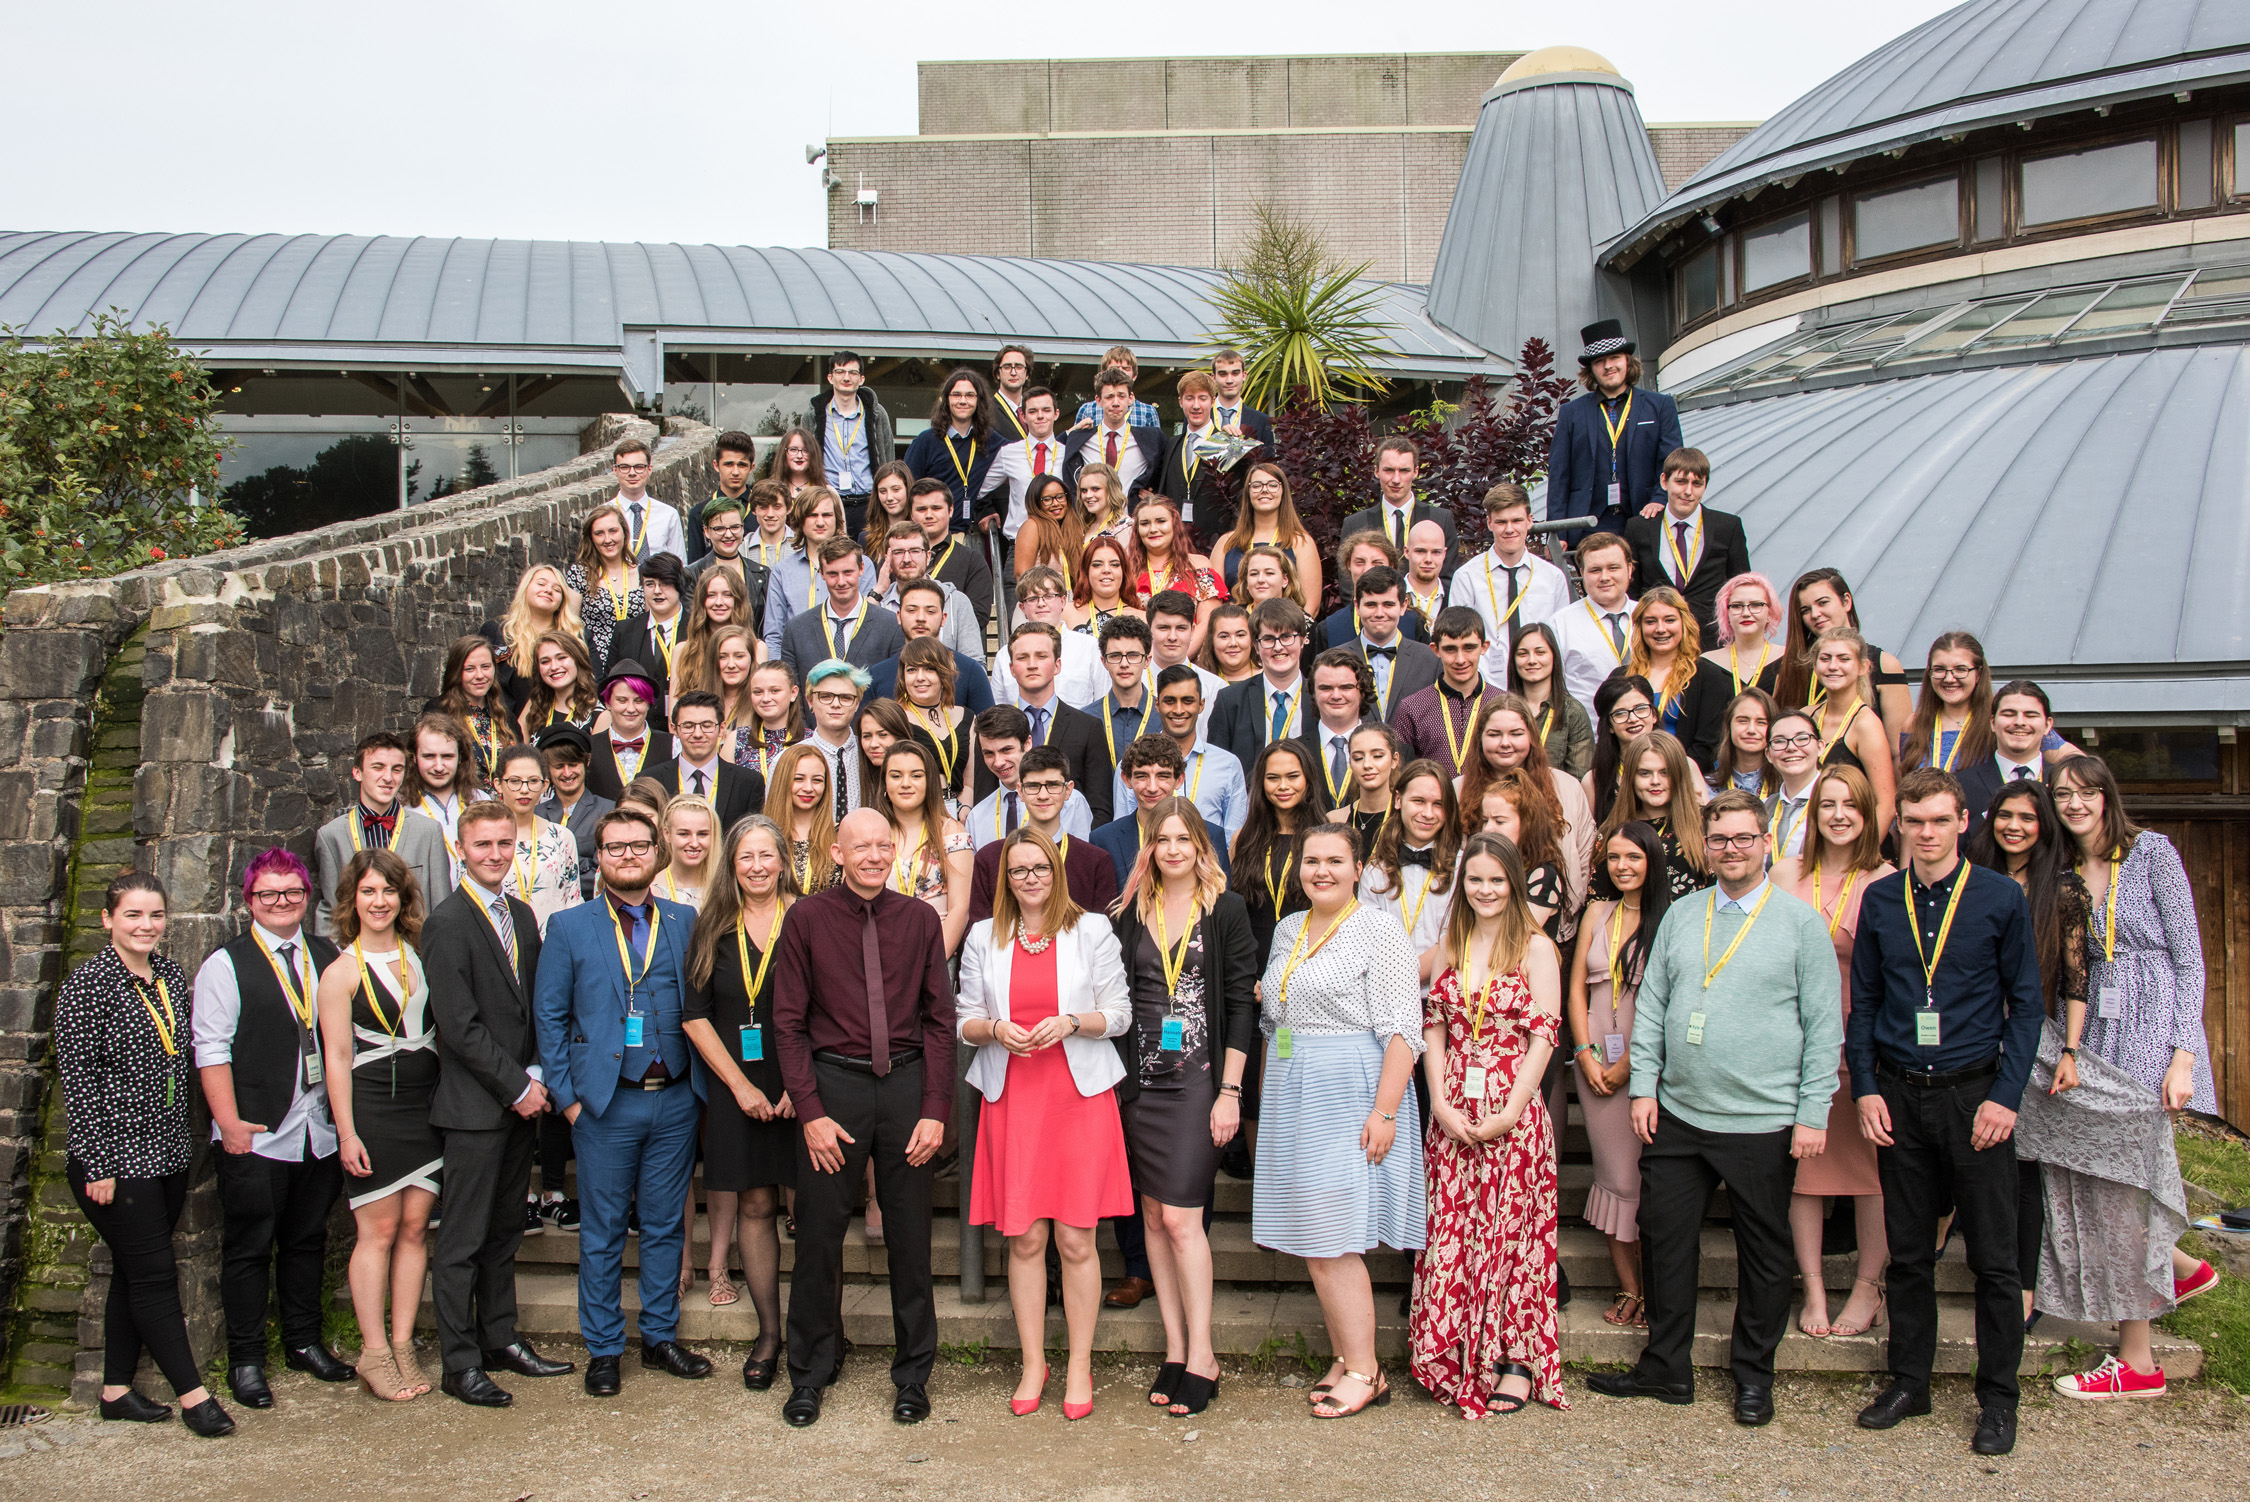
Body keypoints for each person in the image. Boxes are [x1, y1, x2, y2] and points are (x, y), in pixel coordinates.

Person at [1588, 791, 1841, 1425]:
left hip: (1763, 1118)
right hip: (1678, 1111)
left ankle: (1754, 1373)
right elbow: (1651, 1007)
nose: (1731, 850)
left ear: (1766, 844)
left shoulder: (1800, 923)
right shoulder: (1681, 915)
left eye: (1743, 839)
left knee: (1763, 1250)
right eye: (1720, 840)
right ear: (1707, 845)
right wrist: (1643, 1085)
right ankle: (1665, 1368)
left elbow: (1822, 1025)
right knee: (1666, 1240)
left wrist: (1813, 1112)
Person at [1846, 768, 2042, 1456]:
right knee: (1907, 1255)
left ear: (1964, 822)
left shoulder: (1998, 898)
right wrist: (1865, 1087)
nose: (1925, 834)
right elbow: (1864, 1002)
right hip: (1898, 1095)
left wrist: (2005, 1098)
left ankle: (1998, 1399)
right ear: (1899, 825)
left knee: (1994, 1259)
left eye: (1938, 820)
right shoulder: (1878, 899)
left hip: (1975, 1096)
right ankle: (1910, 1382)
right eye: (1914, 821)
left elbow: (2028, 1007)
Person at [2034, 755, 2219, 1400]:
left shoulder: (2153, 853)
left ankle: (2136, 1361)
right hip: (2082, 1031)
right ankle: (2179, 1265)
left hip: (2146, 1036)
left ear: (2108, 795)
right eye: (2064, 794)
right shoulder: (2056, 868)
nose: (2076, 804)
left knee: (2124, 1189)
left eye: (2087, 792)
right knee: (2094, 1176)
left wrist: (2184, 1055)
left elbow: (2190, 960)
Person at [772, 808, 957, 1427]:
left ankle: (912, 1376)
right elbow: (789, 1024)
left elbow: (939, 1020)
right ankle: (811, 1371)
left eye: (884, 845)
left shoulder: (920, 921)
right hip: (834, 1090)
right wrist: (810, 1113)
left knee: (910, 1238)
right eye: (862, 846)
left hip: (905, 1089)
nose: (875, 855)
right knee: (820, 1238)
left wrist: (935, 1110)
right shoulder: (806, 920)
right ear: (837, 850)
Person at [533, 808, 714, 1395]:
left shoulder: (687, 920)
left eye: (639, 846)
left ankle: (660, 1336)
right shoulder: (569, 927)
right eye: (616, 848)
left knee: (665, 1227)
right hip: (606, 1104)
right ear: (600, 857)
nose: (629, 856)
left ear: (658, 853)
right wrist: (568, 1102)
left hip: (677, 1100)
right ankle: (605, 1348)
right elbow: (550, 1018)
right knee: (604, 1230)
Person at [956, 827, 1135, 1419]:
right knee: (1026, 1236)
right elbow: (965, 1019)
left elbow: (1120, 1014)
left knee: (1076, 1238)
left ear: (1056, 872)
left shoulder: (1091, 930)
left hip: (1076, 1094)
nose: (1030, 879)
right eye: (1017, 871)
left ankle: (1080, 1362)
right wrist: (994, 1031)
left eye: (1039, 868)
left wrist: (1073, 1022)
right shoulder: (984, 935)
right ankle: (1035, 1361)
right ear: (1004, 879)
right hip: (1014, 1094)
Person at [1253, 823, 1425, 1420]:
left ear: (1358, 870)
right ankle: (1346, 1353)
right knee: (1315, 1237)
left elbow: (1404, 1028)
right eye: (1310, 861)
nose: (1320, 871)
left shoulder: (1380, 929)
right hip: (1292, 1088)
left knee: (1332, 1239)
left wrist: (1386, 1111)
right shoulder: (1286, 929)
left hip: (1350, 1091)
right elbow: (1277, 1018)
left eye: (1334, 861)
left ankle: (1365, 1371)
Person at [57, 873, 235, 1436]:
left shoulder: (169, 975)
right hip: (114, 1157)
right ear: (109, 919)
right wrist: (99, 1164)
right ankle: (194, 1397)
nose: (145, 926)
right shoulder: (88, 986)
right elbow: (80, 1084)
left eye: (155, 915)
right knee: (156, 1275)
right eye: (133, 915)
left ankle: (114, 1390)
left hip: (165, 1152)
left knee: (132, 1275)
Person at [423, 801, 575, 1406]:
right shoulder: (446, 922)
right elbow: (458, 1027)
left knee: (504, 1232)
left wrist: (535, 1076)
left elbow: (532, 1005)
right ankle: (459, 1363)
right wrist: (517, 1086)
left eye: (504, 844)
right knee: (461, 1240)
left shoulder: (520, 914)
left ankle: (499, 1338)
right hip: (475, 1109)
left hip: (522, 1102)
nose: (495, 855)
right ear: (462, 848)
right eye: (483, 845)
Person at [1107, 803, 1256, 1416]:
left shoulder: (1226, 910)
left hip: (1198, 1085)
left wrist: (1231, 1091)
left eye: (1182, 838)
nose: (1172, 849)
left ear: (1201, 845)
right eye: (1160, 839)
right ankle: (1173, 1349)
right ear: (1148, 847)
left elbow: (1242, 1004)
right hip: (1139, 1087)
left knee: (1182, 1221)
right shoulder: (1128, 913)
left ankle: (1204, 1356)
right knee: (1150, 1215)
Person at [189, 850, 352, 1410]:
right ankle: (247, 1359)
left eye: (292, 893)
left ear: (308, 898)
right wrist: (227, 1123)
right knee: (249, 1247)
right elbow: (209, 1049)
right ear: (249, 901)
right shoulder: (226, 965)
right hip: (257, 1131)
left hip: (318, 1129)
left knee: (307, 1240)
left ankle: (304, 1342)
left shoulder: (329, 956)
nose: (281, 903)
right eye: (268, 895)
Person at [1411, 831, 1565, 1418]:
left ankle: (1515, 1360)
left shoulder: (1535, 947)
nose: (1485, 889)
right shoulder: (1454, 938)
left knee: (1511, 1239)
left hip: (1512, 1112)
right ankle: (1457, 1353)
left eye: (1496, 880)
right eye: (1475, 879)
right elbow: (1433, 1025)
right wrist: (1441, 1103)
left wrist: (1511, 1111)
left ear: (1514, 881)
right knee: (1455, 1233)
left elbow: (1544, 1034)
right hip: (1452, 1110)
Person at [1771, 766, 1895, 1338]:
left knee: (1871, 1172)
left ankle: (1868, 1287)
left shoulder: (1888, 880)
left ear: (1868, 816)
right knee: (1803, 1174)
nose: (1839, 814)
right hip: (1789, 1043)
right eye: (1828, 805)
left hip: (1860, 1044)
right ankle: (1813, 1288)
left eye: (1852, 805)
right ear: (1813, 815)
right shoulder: (1787, 872)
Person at [316, 848, 441, 1403]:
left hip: (426, 1108)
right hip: (373, 1109)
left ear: (402, 897)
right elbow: (336, 1058)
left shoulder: (421, 958)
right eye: (368, 891)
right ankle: (372, 1352)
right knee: (379, 1231)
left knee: (416, 1228)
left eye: (388, 890)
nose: (379, 900)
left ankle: (404, 1341)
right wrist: (347, 1132)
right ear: (352, 900)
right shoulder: (340, 972)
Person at [1965, 778, 2088, 1330]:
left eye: (2029, 818)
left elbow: (2077, 979)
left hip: (2031, 1040)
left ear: (2045, 828)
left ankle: (2024, 1290)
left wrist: (2071, 1049)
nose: (2015, 826)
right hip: (1969, 1034)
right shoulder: (1973, 882)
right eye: (2006, 815)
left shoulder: (2061, 890)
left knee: (2023, 1166)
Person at [682, 815, 800, 1387]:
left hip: (803, 1088)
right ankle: (770, 1333)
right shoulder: (711, 925)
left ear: (782, 859)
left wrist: (800, 1087)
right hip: (738, 1089)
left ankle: (818, 1332)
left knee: (813, 1209)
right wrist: (743, 1088)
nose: (756, 867)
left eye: (765, 855)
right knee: (755, 1206)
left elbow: (832, 1009)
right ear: (731, 865)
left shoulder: (807, 917)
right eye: (744, 857)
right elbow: (695, 1016)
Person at [1567, 821, 1669, 1332]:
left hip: (1650, 1067)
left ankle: (1656, 1290)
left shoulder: (1670, 918)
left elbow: (1668, 1002)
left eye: (1633, 857)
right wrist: (1585, 1055)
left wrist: (1629, 1064)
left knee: (1644, 1184)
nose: (1622, 866)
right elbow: (1576, 991)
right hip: (1594, 1068)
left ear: (1652, 861)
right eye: (1613, 858)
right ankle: (1629, 1286)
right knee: (1613, 1178)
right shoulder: (1595, 911)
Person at [1459, 692, 1596, 916]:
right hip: (1478, 922)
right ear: (1480, 738)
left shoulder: (1567, 788)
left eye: (1516, 733)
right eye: (1494, 734)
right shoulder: (1458, 791)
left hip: (1555, 924)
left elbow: (1585, 858)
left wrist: (1569, 912)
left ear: (1532, 736)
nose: (1505, 742)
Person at [1545, 318, 1684, 528]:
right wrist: (1557, 532)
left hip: (1645, 519)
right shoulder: (1570, 413)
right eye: (1599, 361)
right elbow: (1558, 477)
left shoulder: (1661, 405)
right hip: (1587, 525)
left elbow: (1672, 463)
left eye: (1615, 357)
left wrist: (1660, 499)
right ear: (1591, 369)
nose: (1608, 366)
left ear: (1627, 360)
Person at [314, 731, 452, 939]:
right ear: (357, 773)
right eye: (378, 767)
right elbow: (332, 910)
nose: (388, 777)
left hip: (415, 953)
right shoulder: (330, 836)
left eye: (397, 769)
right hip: (356, 957)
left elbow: (441, 906)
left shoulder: (429, 831)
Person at [975, 624, 1115, 826]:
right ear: (1012, 669)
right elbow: (984, 799)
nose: (1032, 664)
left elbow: (1100, 808)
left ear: (1057, 665)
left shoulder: (1087, 727)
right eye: (1022, 658)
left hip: (1070, 846)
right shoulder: (989, 729)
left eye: (1041, 656)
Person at [968, 746, 1122, 920]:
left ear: (1068, 790)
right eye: (1033, 786)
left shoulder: (1095, 862)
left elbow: (1105, 935)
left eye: (1053, 785)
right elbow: (977, 932)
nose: (1043, 795)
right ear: (1020, 791)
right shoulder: (989, 858)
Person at [1623, 448, 1751, 642]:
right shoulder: (1638, 528)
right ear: (1664, 481)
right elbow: (1632, 590)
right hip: (1658, 637)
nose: (1688, 491)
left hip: (1711, 640)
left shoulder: (1727, 526)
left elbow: (1741, 585)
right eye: (1681, 482)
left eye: (1697, 484)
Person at [1449, 484, 1568, 688]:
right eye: (1501, 522)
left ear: (1529, 521)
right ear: (1489, 523)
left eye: (1517, 520)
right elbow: (1459, 640)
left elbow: (1561, 640)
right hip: (1486, 688)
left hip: (1539, 686)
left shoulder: (1553, 578)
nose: (1509, 529)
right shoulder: (1467, 577)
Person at [1774, 568, 1915, 735]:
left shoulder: (1884, 664)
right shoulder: (1790, 667)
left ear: (1846, 601)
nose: (1815, 614)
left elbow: (1898, 750)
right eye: (1805, 610)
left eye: (1823, 602)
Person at [1091, 734, 1235, 892]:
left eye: (1162, 776)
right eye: (1142, 776)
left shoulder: (1211, 835)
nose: (1152, 787)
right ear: (1126, 779)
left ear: (1179, 779)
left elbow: (1222, 903)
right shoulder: (1103, 840)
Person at [880, 737, 975, 955]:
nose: (906, 783)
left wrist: (932, 964)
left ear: (929, 781)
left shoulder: (951, 832)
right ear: (884, 782)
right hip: (879, 953)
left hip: (935, 950)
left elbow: (960, 909)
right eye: (896, 776)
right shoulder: (872, 831)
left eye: (916, 775)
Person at [1592, 730, 1711, 904]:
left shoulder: (1706, 824)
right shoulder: (1612, 829)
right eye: (1645, 773)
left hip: (1693, 927)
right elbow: (1597, 900)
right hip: (1630, 929)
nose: (1655, 781)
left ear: (1679, 774)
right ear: (1631, 777)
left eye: (1665, 772)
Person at [1628, 586, 1730, 773]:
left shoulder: (1707, 676)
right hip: (1631, 776)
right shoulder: (1622, 678)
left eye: (1669, 620)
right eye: (1651, 621)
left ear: (1684, 623)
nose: (1660, 629)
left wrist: (1668, 775)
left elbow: (1707, 746)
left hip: (1686, 778)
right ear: (1640, 627)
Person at [486, 743, 584, 937]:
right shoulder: (485, 839)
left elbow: (572, 900)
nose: (524, 790)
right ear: (498, 784)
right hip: (499, 942)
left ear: (545, 785)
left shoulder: (561, 837)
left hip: (554, 943)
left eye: (533, 781)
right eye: (515, 781)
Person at [1394, 607, 1502, 781]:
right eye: (1450, 649)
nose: (1460, 659)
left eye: (1469, 648)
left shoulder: (1503, 704)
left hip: (1490, 804)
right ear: (1435, 650)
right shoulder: (1412, 707)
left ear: (1484, 647)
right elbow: (1400, 772)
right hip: (1433, 804)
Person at [1809, 627, 1899, 834]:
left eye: (1843, 659)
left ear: (1863, 667)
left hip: (1849, 843)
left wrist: (1861, 858)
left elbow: (1885, 805)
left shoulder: (1866, 725)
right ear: (1814, 666)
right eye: (1825, 658)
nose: (1833, 666)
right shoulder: (1806, 716)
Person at [863, 577, 996, 715]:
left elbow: (989, 730)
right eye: (911, 610)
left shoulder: (970, 671)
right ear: (898, 616)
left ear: (944, 618)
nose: (920, 617)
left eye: (930, 611)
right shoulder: (877, 675)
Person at [778, 537, 903, 682]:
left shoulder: (891, 626)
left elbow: (894, 689)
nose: (841, 582)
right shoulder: (797, 629)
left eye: (848, 572)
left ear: (861, 568)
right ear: (822, 573)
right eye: (833, 574)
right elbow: (793, 691)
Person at [1208, 598, 1312, 773]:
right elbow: (1217, 769)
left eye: (1287, 637)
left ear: (1302, 641)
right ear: (1256, 646)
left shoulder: (1320, 698)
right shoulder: (1230, 701)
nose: (1278, 647)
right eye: (1269, 639)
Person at [645, 690, 766, 828]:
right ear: (674, 729)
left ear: (721, 729)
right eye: (688, 726)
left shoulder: (748, 783)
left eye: (707, 726)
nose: (697, 734)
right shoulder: (651, 781)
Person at [1957, 679, 2063, 838]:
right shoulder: (1961, 786)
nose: (2019, 722)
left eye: (2030, 715)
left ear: (2047, 725)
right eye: (2009, 714)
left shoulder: (2063, 783)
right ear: (1993, 722)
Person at [1342, 436, 1458, 578]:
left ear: (1415, 472)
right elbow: (1348, 583)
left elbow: (1447, 579)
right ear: (1377, 471)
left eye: (1404, 471)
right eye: (1389, 470)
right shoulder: (1354, 524)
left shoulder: (1441, 520)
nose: (1396, 480)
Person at [1550, 532, 1636, 720]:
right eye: (1595, 570)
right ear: (1581, 573)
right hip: (1590, 738)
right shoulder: (1560, 625)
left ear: (1629, 569)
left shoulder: (1650, 618)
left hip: (1647, 736)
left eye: (1613, 568)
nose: (1605, 577)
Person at [483, 563, 585, 717]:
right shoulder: (497, 632)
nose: (549, 590)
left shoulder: (577, 636)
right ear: (525, 588)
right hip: (505, 725)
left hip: (562, 726)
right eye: (541, 583)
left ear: (562, 601)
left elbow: (592, 684)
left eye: (557, 589)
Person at [1342, 565, 1441, 725]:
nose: (1380, 613)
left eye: (1388, 605)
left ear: (1403, 606)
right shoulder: (1335, 660)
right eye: (1371, 605)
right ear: (1357, 606)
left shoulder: (1430, 661)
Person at [905, 367, 999, 533]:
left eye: (970, 395)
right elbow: (908, 488)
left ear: (979, 400)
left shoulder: (992, 441)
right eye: (956, 395)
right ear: (946, 399)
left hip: (974, 533)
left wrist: (988, 507)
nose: (963, 401)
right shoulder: (925, 441)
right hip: (933, 534)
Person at [809, 351, 893, 531]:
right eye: (840, 372)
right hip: (829, 504)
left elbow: (888, 460)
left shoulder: (877, 414)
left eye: (853, 373)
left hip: (869, 504)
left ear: (861, 379)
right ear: (830, 377)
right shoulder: (813, 416)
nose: (846, 378)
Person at [1130, 494, 1226, 650]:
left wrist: (1179, 660)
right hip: (1138, 659)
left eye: (1161, 521)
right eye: (1145, 523)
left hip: (1187, 659)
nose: (1153, 529)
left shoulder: (1199, 566)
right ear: (1137, 530)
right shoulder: (1126, 570)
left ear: (1174, 524)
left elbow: (1207, 621)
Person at [759, 486, 848, 652]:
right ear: (800, 520)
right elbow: (774, 636)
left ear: (837, 519)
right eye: (812, 515)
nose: (820, 522)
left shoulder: (859, 565)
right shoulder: (782, 571)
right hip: (798, 664)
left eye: (827, 515)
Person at [1062, 364, 1163, 508]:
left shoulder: (1152, 439)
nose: (1116, 403)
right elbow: (1053, 446)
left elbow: (1166, 474)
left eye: (1121, 396)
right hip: (1092, 524)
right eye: (1109, 397)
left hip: (1133, 524)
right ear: (1098, 400)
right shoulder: (1079, 439)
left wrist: (1156, 498)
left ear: (1130, 398)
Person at [875, 525, 981, 661]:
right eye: (899, 552)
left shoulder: (956, 601)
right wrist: (877, 593)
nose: (907, 559)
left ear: (928, 556)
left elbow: (975, 662)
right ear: (887, 559)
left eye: (915, 551)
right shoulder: (879, 604)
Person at [1220, 461, 1322, 601]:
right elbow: (1213, 604)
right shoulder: (1226, 543)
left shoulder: (1301, 543)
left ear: (1283, 491)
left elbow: (1311, 606)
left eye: (1272, 485)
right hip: (1234, 622)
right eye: (1256, 486)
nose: (1264, 490)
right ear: (1248, 493)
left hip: (1287, 622)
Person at [1005, 566, 1106, 707]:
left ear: (1063, 601)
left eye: (1049, 596)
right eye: (1033, 598)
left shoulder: (1089, 647)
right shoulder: (1005, 655)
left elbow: (1102, 701)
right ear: (1022, 608)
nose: (1041, 604)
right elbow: (1000, 707)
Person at [608, 552, 691, 723]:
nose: (657, 591)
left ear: (679, 585)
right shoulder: (624, 631)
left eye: (665, 583)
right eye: (649, 584)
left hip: (687, 727)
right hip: (637, 726)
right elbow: (610, 682)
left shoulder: (699, 629)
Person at [533, 724, 611, 901]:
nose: (567, 773)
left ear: (587, 761)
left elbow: (603, 873)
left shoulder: (608, 810)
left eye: (573, 764)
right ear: (547, 769)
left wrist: (552, 873)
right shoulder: (536, 814)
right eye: (559, 766)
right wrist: (582, 864)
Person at [1156, 370, 1235, 543]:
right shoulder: (1172, 445)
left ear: (1213, 401)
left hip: (1216, 543)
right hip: (1174, 542)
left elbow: (1235, 501)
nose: (1196, 405)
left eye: (1203, 398)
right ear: (1180, 402)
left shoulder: (1226, 444)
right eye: (1190, 398)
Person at [568, 503, 644, 678]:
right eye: (599, 533)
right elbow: (571, 626)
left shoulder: (642, 572)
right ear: (591, 538)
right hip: (594, 665)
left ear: (624, 532)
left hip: (635, 662)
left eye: (613, 531)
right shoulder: (580, 573)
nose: (607, 539)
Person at [1509, 621, 1594, 778]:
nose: (1531, 660)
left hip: (1558, 799)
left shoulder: (1573, 712)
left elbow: (1578, 779)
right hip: (1506, 799)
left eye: (1540, 652)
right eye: (1522, 654)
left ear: (1554, 656)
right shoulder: (1502, 709)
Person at [913, 478, 997, 632]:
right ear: (911, 514)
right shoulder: (898, 558)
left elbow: (978, 617)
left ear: (951, 510)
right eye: (921, 509)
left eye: (936, 508)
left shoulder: (973, 561)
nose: (929, 515)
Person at [432, 634, 509, 789]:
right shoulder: (439, 711)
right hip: (461, 806)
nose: (479, 675)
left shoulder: (504, 714)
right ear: (456, 672)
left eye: (485, 667)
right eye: (469, 669)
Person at [586, 659, 664, 803]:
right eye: (622, 700)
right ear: (608, 703)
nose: (630, 708)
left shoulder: (673, 745)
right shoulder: (588, 748)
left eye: (639, 700)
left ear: (648, 704)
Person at [766, 743, 841, 892]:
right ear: (783, 781)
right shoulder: (763, 834)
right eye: (799, 779)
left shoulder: (840, 835)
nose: (808, 788)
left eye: (817, 780)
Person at [1585, 673, 1659, 824]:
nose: (1632, 719)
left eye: (1640, 709)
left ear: (1654, 715)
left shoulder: (1683, 764)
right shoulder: (1594, 780)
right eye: (1620, 713)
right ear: (1610, 726)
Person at [683, 428, 756, 568]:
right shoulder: (699, 513)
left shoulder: (763, 511)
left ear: (751, 467)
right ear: (716, 465)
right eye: (728, 464)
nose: (735, 472)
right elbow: (694, 568)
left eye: (742, 465)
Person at [1704, 572, 1785, 698]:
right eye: (1737, 606)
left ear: (1769, 613)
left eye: (1756, 605)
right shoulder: (1706, 664)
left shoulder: (1788, 659)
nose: (1746, 613)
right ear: (1727, 614)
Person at [516, 630, 604, 741]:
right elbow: (519, 750)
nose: (554, 667)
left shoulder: (599, 714)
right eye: (545, 661)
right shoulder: (535, 704)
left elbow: (598, 758)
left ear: (578, 660)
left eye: (561, 658)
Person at [607, 437, 686, 561]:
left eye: (639, 467)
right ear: (615, 470)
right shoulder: (602, 515)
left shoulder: (668, 515)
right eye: (624, 467)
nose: (632, 473)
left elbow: (679, 564)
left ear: (649, 469)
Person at [1330, 722, 1402, 854]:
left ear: (1394, 760)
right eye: (1358, 758)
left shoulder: (1406, 816)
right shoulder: (1335, 820)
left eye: (1377, 756)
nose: (1367, 764)